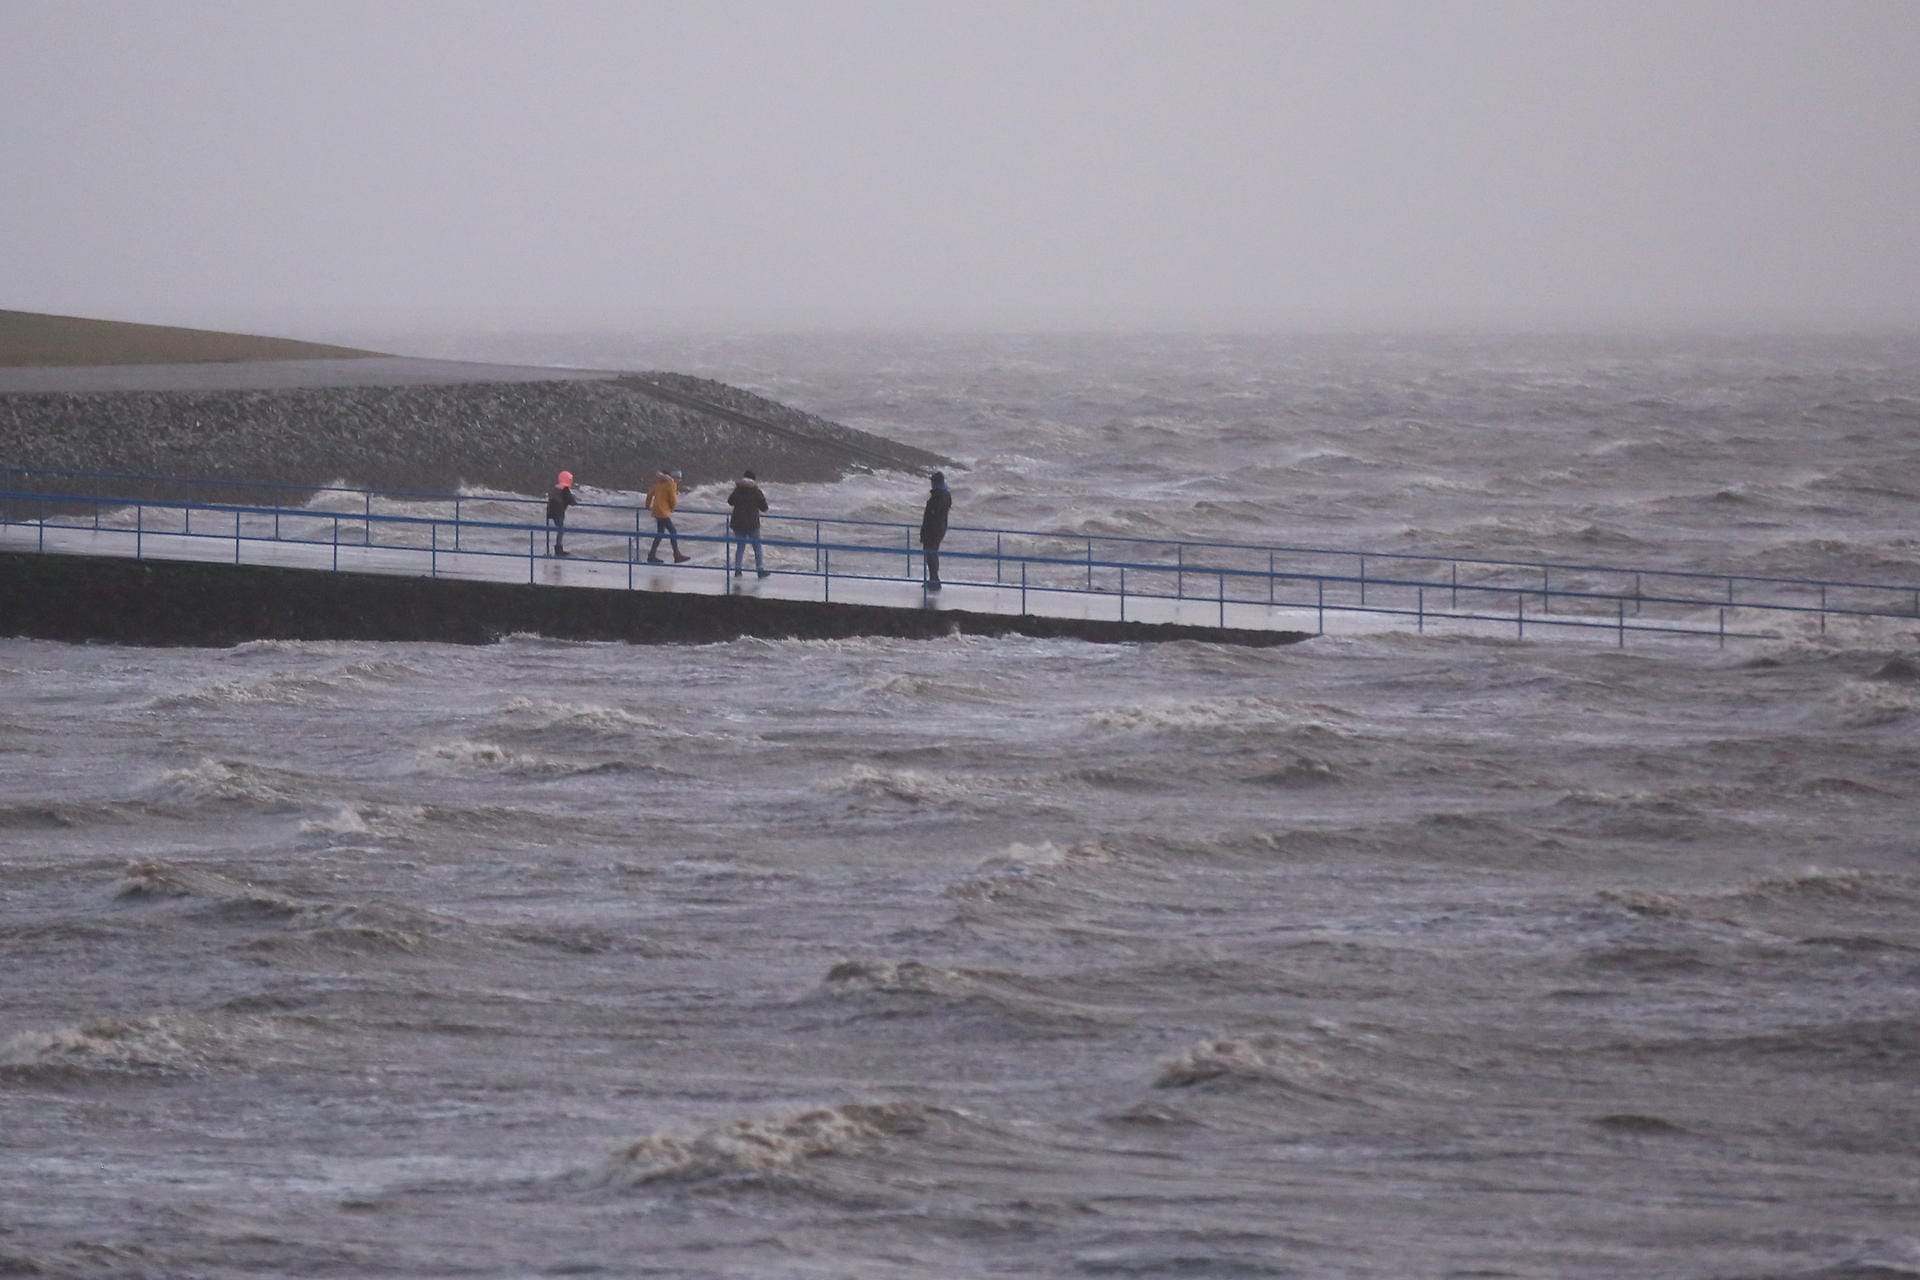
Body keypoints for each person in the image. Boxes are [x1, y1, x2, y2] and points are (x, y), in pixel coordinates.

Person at [726, 469, 770, 579]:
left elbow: (730, 502)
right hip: (752, 523)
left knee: (740, 547)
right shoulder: (756, 491)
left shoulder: (738, 490)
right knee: (757, 548)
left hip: (738, 523)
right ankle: (760, 570)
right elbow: (764, 508)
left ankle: (738, 570)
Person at [645, 468, 691, 563]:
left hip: (656, 510)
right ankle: (676, 555)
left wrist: (647, 505)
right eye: (679, 479)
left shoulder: (659, 483)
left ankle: (652, 555)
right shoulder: (671, 484)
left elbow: (649, 494)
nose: (679, 481)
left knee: (660, 533)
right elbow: (673, 499)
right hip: (663, 511)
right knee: (673, 532)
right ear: (675, 478)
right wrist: (672, 508)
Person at [920, 470, 951, 591]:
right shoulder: (942, 494)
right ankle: (933, 579)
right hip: (936, 529)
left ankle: (935, 580)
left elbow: (935, 513)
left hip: (934, 531)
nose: (931, 484)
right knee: (931, 554)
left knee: (931, 554)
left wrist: (927, 530)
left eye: (932, 481)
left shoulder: (941, 495)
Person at [546, 470, 578, 555]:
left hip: (550, 511)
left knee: (558, 530)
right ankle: (558, 549)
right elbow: (571, 501)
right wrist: (575, 500)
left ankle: (555, 548)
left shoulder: (556, 487)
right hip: (558, 512)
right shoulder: (565, 489)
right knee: (561, 530)